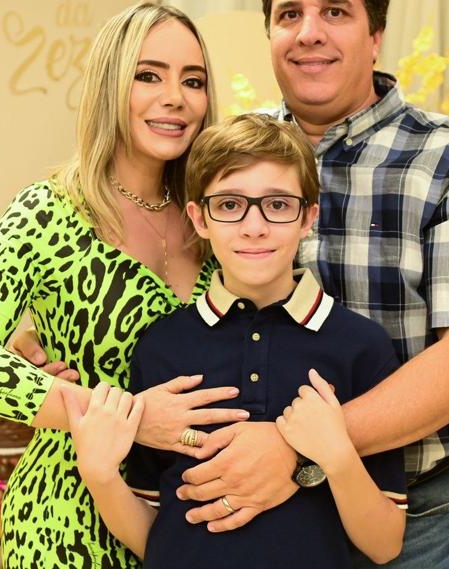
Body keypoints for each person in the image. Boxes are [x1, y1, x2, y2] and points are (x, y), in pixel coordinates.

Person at [12, 0, 449, 569]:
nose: (309, 33)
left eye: (335, 12)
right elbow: (151, 251)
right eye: (289, 15)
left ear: (376, 36)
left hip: (409, 516)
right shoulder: (231, 150)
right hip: (219, 515)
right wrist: (48, 334)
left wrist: (296, 449)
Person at [0, 2, 251, 569]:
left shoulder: (214, 217)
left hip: (189, 520)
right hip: (66, 519)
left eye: (193, 80)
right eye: (148, 75)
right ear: (109, 85)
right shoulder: (48, 211)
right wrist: (129, 416)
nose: (175, 97)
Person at [64, 114, 407, 568]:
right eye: (229, 205)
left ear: (309, 216)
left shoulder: (361, 346)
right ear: (199, 218)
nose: (254, 227)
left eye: (278, 205)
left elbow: (385, 544)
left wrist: (337, 455)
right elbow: (155, 538)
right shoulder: (162, 346)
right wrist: (100, 476)